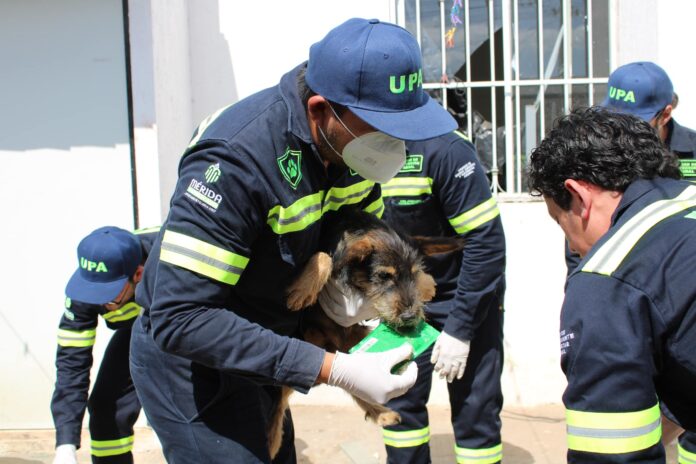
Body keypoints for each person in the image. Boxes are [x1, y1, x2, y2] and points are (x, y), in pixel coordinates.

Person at [128, 17, 458, 463]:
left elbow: (346, 234)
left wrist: (349, 303)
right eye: (380, 128)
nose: (393, 144)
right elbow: (181, 318)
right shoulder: (237, 159)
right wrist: (332, 368)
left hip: (266, 348)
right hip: (193, 362)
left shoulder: (347, 150)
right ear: (321, 109)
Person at [528, 106, 696, 463]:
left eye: (560, 222)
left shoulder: (608, 279)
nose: (573, 247)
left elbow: (610, 458)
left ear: (579, 197)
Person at [380, 130, 506, 463]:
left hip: (464, 294)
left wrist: (461, 327)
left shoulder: (446, 151)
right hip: (402, 300)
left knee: (475, 408)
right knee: (399, 402)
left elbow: (486, 244)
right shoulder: (357, 149)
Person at [51, 226, 158, 464]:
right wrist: (65, 445)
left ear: (138, 274)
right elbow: (71, 365)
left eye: (109, 295)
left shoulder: (167, 264)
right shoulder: (84, 291)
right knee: (105, 408)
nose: (101, 302)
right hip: (137, 331)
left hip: (191, 329)